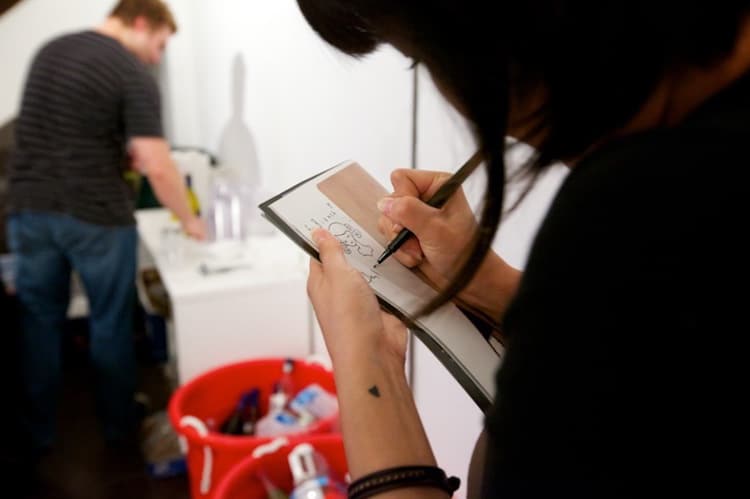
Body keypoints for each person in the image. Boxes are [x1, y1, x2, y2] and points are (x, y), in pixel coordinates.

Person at [297, 1, 748, 497]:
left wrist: (368, 361)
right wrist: (482, 281)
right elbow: (647, 353)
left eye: (422, 58)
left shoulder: (643, 201)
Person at [5, 0, 205, 452]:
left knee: (38, 323)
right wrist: (191, 220)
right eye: (159, 44)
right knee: (110, 322)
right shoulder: (130, 71)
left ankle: (38, 435)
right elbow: (158, 165)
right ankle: (118, 428)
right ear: (141, 22)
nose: (156, 57)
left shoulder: (52, 50)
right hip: (96, 214)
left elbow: (60, 133)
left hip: (29, 207)